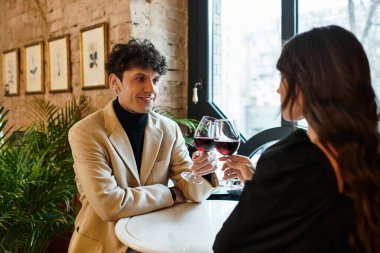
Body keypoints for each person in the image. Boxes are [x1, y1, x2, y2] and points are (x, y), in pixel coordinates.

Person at [213, 25, 380, 253]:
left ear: (306, 83)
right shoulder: (367, 153)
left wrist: (265, 182)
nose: (278, 89)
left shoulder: (292, 159)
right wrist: (257, 183)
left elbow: (227, 245)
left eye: (283, 76)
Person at [68, 38, 219, 253]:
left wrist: (204, 172)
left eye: (155, 80)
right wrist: (170, 194)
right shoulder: (85, 132)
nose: (151, 89)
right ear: (114, 83)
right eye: (140, 78)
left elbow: (193, 192)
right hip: (104, 246)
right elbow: (109, 205)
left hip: (154, 241)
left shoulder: (170, 129)